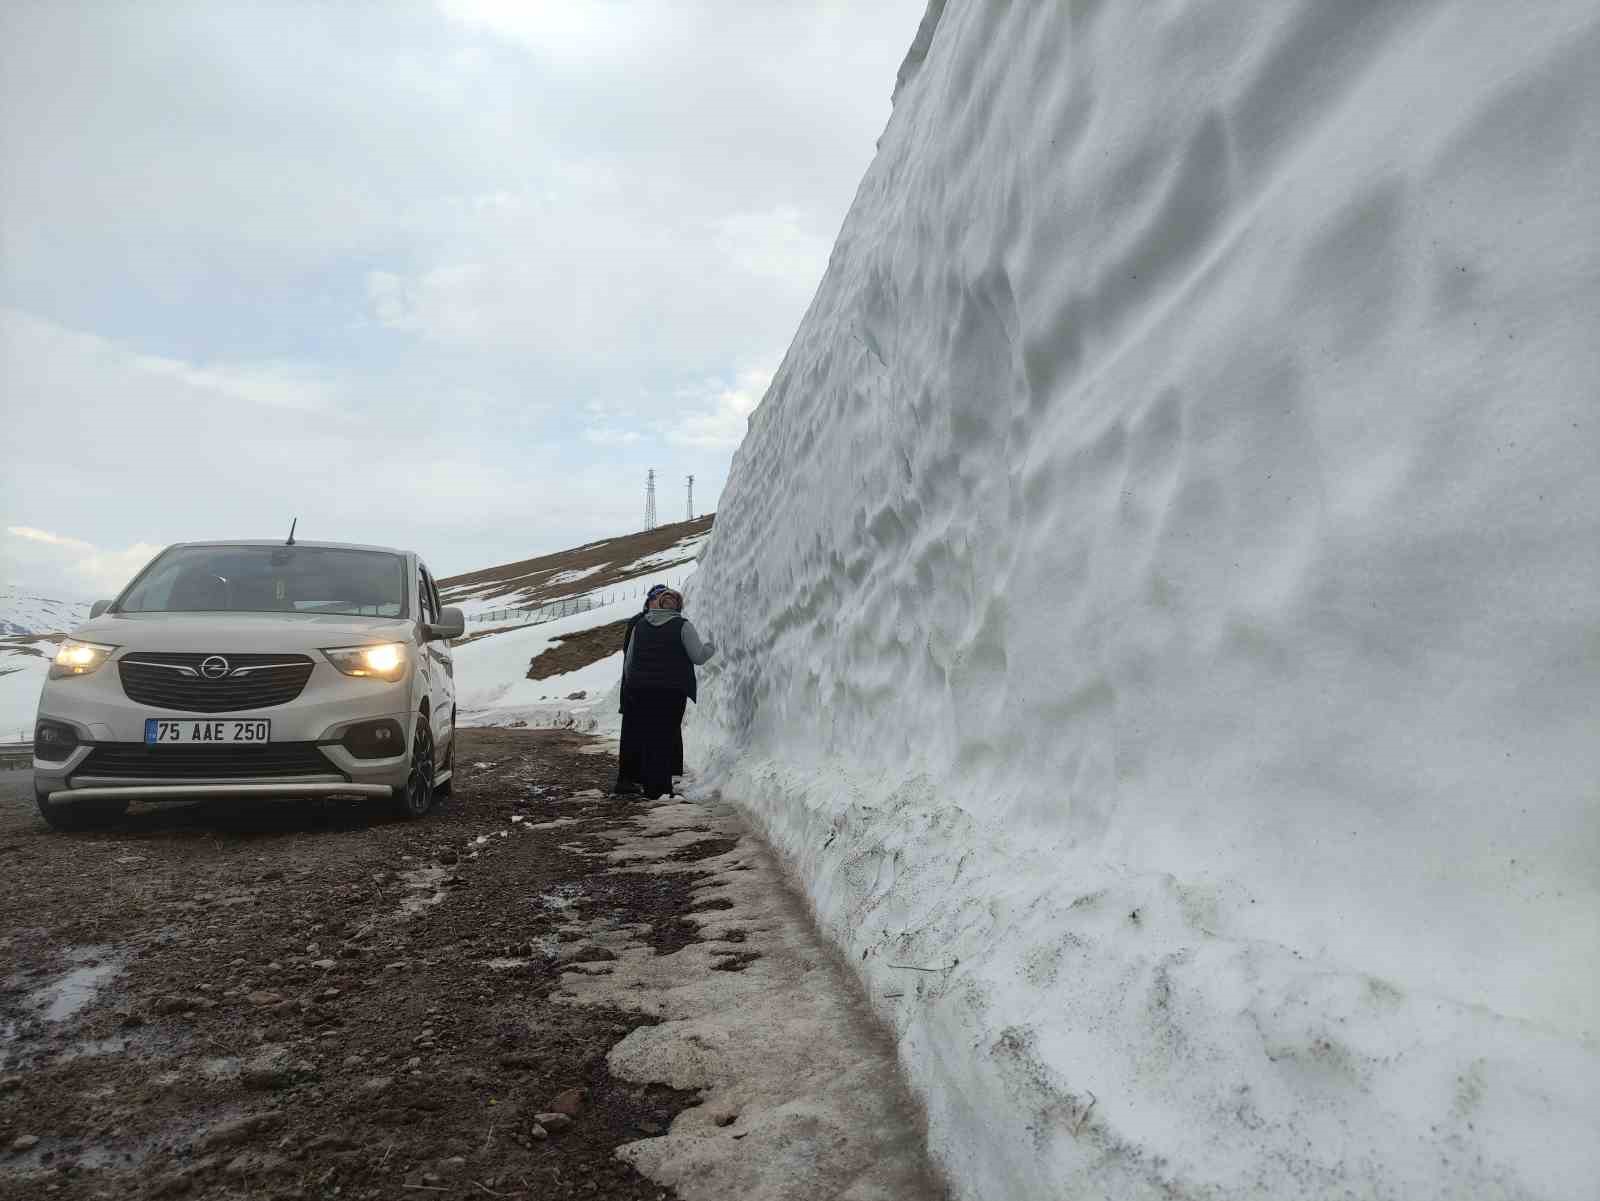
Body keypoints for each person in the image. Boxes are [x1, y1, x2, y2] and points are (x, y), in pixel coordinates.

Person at [621, 588, 715, 799]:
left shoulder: (640, 625)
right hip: (671, 692)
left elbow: (629, 660)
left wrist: (632, 684)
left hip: (642, 690)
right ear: (678, 605)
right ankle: (661, 788)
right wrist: (711, 646)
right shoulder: (682, 626)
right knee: (666, 736)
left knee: (648, 736)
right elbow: (698, 656)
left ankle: (649, 785)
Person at [613, 584, 670, 795]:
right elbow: (629, 654)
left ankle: (641, 777)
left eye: (665, 597)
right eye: (657, 598)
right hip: (635, 686)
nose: (661, 601)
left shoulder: (661, 621)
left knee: (646, 733)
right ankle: (626, 779)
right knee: (632, 733)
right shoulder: (639, 622)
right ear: (649, 601)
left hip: (647, 686)